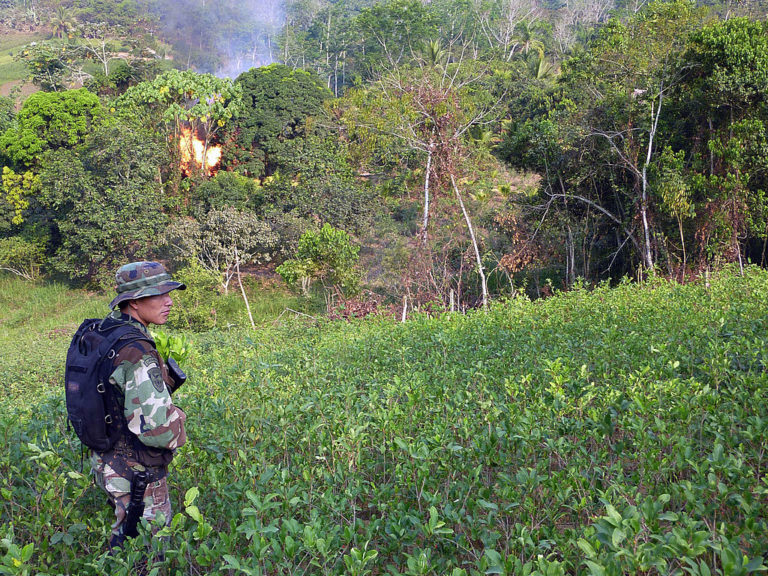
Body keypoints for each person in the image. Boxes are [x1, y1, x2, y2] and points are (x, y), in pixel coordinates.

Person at [90, 261, 188, 551]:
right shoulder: (137, 351)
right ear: (133, 303)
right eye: (158, 295)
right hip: (135, 472)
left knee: (123, 540)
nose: (168, 301)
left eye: (169, 293)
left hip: (106, 461)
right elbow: (159, 430)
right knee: (149, 551)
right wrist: (179, 418)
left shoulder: (107, 333)